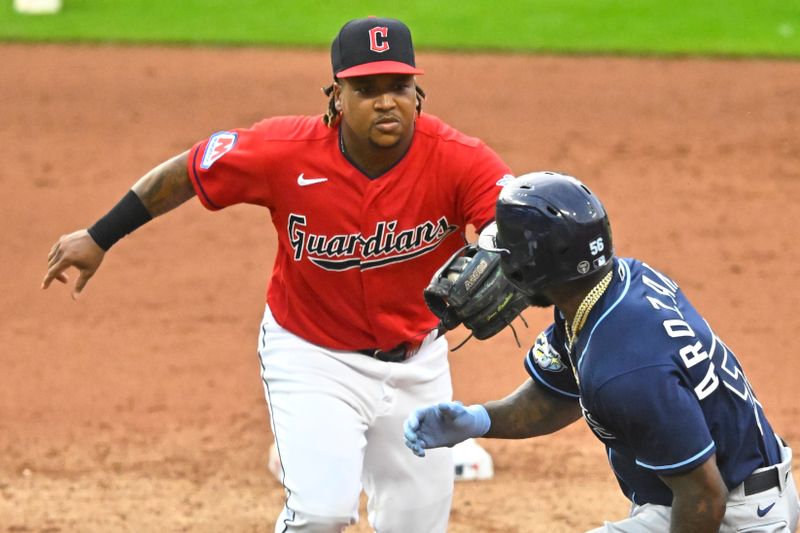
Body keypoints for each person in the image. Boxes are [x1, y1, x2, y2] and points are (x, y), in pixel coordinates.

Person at [42, 16, 513, 533]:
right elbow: (190, 171)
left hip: (418, 363)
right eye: (366, 88)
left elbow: (515, 218)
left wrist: (509, 249)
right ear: (335, 95)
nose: (385, 102)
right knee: (320, 515)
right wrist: (100, 235)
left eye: (398, 87)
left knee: (416, 527)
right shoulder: (283, 150)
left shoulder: (458, 159)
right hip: (313, 357)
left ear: (418, 93)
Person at [404, 171, 800, 532]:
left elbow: (703, 499)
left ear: (538, 269)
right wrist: (478, 421)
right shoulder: (610, 288)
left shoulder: (625, 371)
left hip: (732, 515)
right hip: (708, 495)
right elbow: (558, 394)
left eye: (507, 255)